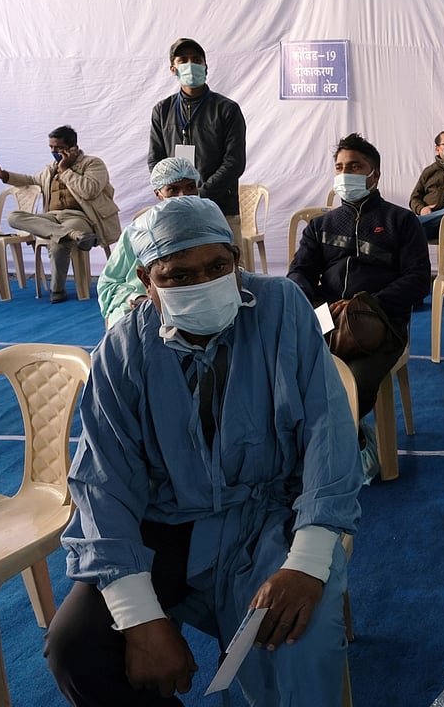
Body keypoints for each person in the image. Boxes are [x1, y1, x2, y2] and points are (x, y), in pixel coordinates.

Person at [44, 196, 362, 706]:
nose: (204, 283)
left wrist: (305, 560)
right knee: (76, 649)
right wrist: (140, 617)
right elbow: (104, 486)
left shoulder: (282, 309)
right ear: (147, 283)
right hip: (165, 525)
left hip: (267, 519)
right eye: (179, 275)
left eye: (218, 266)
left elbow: (329, 436)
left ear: (237, 261)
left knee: (300, 633)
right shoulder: (123, 351)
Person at [288, 133, 429, 430]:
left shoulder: (401, 221)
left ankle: (346, 447)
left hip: (379, 322)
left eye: (354, 167)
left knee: (353, 382)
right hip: (326, 317)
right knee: (288, 372)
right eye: (339, 167)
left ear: (374, 174)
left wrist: (368, 304)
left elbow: (417, 281)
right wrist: (316, 306)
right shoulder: (320, 226)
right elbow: (299, 273)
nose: (344, 173)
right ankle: (310, 446)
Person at [0, 125, 121, 303]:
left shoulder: (93, 164)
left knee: (58, 241)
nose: (53, 151)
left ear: (72, 148)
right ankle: (72, 235)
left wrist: (66, 170)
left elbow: (89, 190)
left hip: (80, 218)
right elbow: (31, 180)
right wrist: (3, 175)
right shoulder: (51, 168)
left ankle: (57, 290)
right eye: (51, 147)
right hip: (52, 217)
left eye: (57, 147)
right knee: (13, 216)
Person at [148, 37, 247, 248]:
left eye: (196, 59)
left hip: (220, 207)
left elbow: (234, 162)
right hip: (175, 210)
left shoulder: (227, 109)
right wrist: (173, 194)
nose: (190, 65)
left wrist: (199, 194)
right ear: (173, 69)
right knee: (181, 270)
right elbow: (156, 161)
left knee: (228, 269)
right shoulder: (162, 110)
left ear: (205, 66)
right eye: (183, 60)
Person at [97, 157, 202, 327]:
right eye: (173, 190)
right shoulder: (140, 231)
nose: (183, 196)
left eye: (190, 187)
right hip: (140, 305)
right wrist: (135, 298)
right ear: (158, 194)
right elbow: (109, 282)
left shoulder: (209, 225)